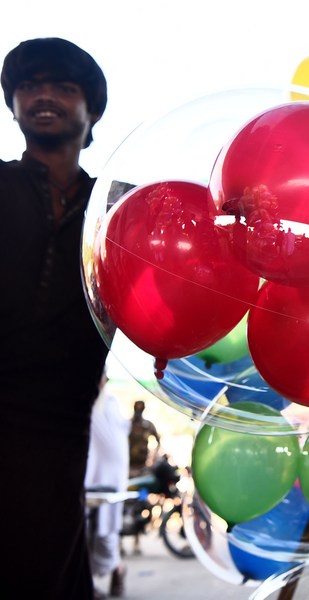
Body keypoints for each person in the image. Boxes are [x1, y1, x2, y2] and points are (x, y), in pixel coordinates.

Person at [0, 38, 110, 599]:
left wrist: (241, 212)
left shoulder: (116, 207)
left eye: (63, 87)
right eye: (29, 86)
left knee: (50, 561)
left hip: (63, 421)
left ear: (91, 111)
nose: (44, 96)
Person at [84, 372, 129, 598]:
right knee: (81, 532)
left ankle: (117, 570)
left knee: (106, 532)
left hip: (109, 481)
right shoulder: (86, 402)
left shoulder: (109, 404)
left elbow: (115, 450)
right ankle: (87, 584)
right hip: (86, 480)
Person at [128, 399, 161, 477]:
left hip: (142, 466)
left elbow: (158, 441)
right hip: (128, 464)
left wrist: (153, 458)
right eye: (137, 407)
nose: (138, 409)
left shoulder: (148, 425)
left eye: (141, 408)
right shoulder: (128, 424)